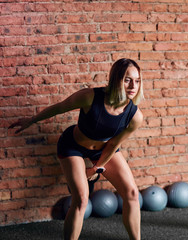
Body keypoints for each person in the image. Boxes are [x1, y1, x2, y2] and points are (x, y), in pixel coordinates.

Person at [9, 58, 144, 240]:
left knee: (133, 193)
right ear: (116, 79)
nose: (132, 86)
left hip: (103, 151)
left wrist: (96, 169)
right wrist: (31, 121)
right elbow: (59, 108)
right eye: (127, 79)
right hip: (73, 146)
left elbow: (113, 144)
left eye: (137, 80)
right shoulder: (90, 97)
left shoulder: (135, 116)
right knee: (81, 200)